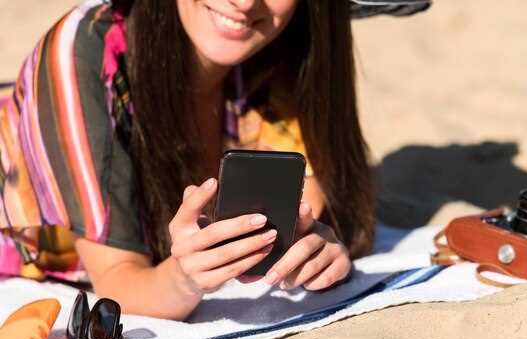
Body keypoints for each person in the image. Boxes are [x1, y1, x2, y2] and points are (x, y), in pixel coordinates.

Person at [0, 0, 429, 320]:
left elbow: (318, 207)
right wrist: (184, 278)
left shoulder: (278, 49)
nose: (243, 3)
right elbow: (119, 284)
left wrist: (322, 248)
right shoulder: (87, 54)